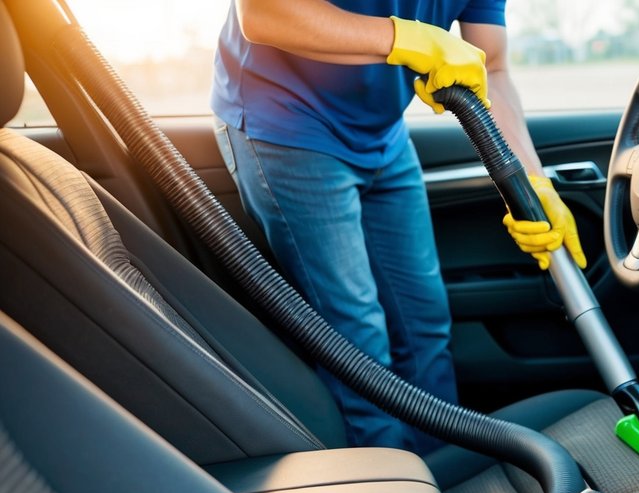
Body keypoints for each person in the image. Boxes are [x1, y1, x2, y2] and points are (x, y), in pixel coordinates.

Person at [211, 0, 586, 454]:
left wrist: (533, 182)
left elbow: (494, 67)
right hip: (286, 125)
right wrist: (411, 39)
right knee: (356, 341)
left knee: (424, 323)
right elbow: (265, 14)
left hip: (383, 135)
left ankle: (444, 472)